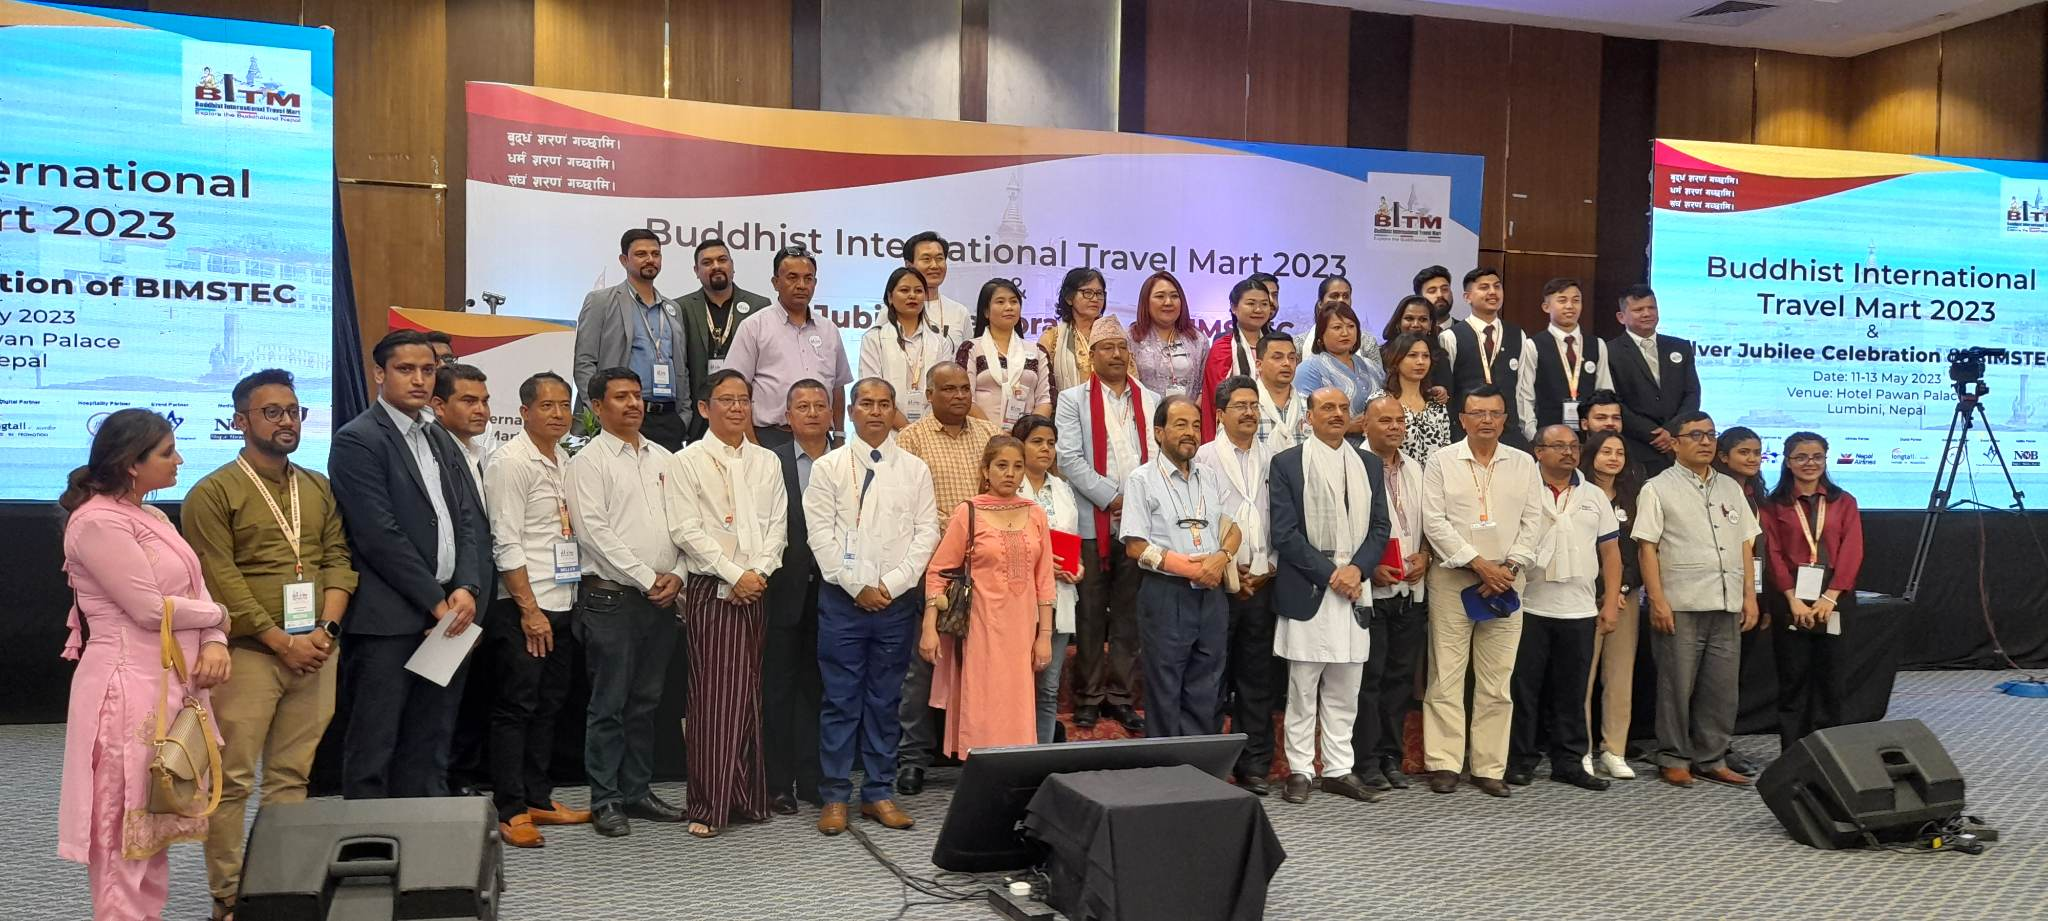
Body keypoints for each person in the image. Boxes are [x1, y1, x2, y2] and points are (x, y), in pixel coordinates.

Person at [183, 371, 356, 909]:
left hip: (318, 652)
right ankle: (229, 897)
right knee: (232, 781)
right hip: (249, 655)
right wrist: (281, 641)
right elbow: (221, 580)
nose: (287, 422)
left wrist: (326, 630)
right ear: (240, 421)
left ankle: (282, 889)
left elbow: (338, 559)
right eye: (272, 412)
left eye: (294, 411)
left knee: (291, 777)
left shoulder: (317, 486)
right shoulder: (212, 492)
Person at [58, 409, 232, 921]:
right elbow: (150, 610)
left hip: (168, 683)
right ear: (132, 463)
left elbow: (194, 589)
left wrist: (216, 637)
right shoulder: (95, 522)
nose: (180, 460)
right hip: (123, 689)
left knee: (152, 825)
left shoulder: (152, 516)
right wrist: (221, 616)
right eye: (167, 452)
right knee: (121, 832)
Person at [330, 330, 492, 800]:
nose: (420, 379)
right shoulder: (358, 439)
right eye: (406, 369)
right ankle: (366, 841)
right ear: (379, 374)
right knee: (376, 742)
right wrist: (436, 602)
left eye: (428, 370)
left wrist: (466, 588)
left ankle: (425, 838)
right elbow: (379, 536)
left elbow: (465, 518)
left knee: (431, 739)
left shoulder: (438, 435)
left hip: (448, 611)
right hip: (389, 618)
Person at [804, 378, 939, 835]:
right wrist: (857, 586)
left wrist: (893, 584)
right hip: (843, 602)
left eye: (884, 404)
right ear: (851, 411)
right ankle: (835, 796)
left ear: (894, 411)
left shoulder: (915, 469)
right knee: (840, 700)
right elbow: (819, 535)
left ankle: (879, 792)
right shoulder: (829, 467)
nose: (876, 412)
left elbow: (926, 534)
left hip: (895, 604)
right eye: (867, 404)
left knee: (886, 700)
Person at [565, 367, 689, 836]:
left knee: (646, 702)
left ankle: (637, 791)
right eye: (621, 396)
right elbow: (594, 533)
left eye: (637, 395)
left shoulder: (665, 458)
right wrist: (647, 578)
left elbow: (684, 525)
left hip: (661, 599)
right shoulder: (587, 462)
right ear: (597, 407)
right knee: (609, 705)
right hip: (612, 600)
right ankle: (605, 799)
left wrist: (677, 575)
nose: (634, 404)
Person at [666, 369, 788, 837]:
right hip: (712, 588)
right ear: (704, 408)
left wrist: (758, 573)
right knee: (713, 698)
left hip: (757, 587)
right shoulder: (687, 461)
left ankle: (745, 796)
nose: (737, 408)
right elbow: (685, 530)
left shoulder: (766, 460)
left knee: (749, 693)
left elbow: (777, 525)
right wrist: (735, 574)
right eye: (726, 400)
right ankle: (708, 805)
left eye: (744, 400)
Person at [477, 371, 589, 848]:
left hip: (563, 601)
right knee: (516, 707)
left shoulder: (565, 459)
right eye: (547, 406)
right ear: (524, 412)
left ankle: (539, 796)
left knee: (549, 706)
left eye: (564, 405)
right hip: (526, 607)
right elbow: (505, 541)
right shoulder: (510, 462)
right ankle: (511, 808)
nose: (558, 414)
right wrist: (528, 609)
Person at [1418, 386, 1545, 798]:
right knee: (1446, 675)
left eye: (1494, 413)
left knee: (1497, 680)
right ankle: (1444, 763)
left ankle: (1489, 766)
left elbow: (1534, 521)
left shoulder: (1523, 463)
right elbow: (1433, 521)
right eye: (1477, 413)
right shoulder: (1441, 461)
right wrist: (1478, 564)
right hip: (1454, 579)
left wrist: (1509, 567)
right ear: (1462, 419)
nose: (1486, 420)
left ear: (1505, 419)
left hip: (1507, 581)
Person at [1268, 387, 1390, 804]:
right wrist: (1332, 574)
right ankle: (1300, 769)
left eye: (1342, 408)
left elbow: (1380, 527)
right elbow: (1284, 533)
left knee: (1346, 685)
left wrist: (1357, 570)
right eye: (1327, 408)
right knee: (1303, 687)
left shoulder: (1368, 463)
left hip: (1355, 587)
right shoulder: (1288, 463)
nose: (1337, 414)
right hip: (1311, 585)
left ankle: (1338, 768)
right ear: (1309, 417)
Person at [892, 362, 1003, 795]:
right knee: (923, 668)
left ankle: (977, 754)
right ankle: (913, 759)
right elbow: (908, 508)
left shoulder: (988, 434)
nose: (959, 396)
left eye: (964, 388)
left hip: (987, 572)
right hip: (934, 568)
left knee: (981, 667)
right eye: (948, 389)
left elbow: (1002, 492)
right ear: (929, 394)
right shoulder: (911, 439)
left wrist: (978, 536)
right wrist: (962, 531)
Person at [1634, 412, 1760, 788]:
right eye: (1695, 435)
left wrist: (1750, 596)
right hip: (1681, 603)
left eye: (1710, 434)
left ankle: (1712, 757)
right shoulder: (1657, 488)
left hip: (1726, 601)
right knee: (1676, 686)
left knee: (1722, 687)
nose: (1705, 442)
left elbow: (1745, 544)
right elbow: (1646, 548)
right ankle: (1673, 757)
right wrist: (1657, 600)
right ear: (1674, 443)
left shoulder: (1730, 487)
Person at [920, 435, 1057, 759]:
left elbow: (1044, 580)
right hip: (981, 628)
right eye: (1002, 465)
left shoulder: (1035, 513)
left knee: (1017, 701)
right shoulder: (969, 512)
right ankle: (980, 772)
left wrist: (1045, 636)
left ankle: (1015, 771)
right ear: (986, 470)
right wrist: (928, 627)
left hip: (1021, 630)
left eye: (1017, 467)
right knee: (983, 700)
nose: (1010, 473)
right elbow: (938, 572)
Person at [1055, 315, 1157, 732]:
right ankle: (1089, 697)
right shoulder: (1072, 400)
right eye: (1107, 348)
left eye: (1121, 347)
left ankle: (1120, 697)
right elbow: (1068, 459)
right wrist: (1113, 497)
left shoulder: (1150, 399)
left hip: (1140, 524)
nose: (1116, 354)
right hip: (1090, 522)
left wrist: (1136, 503)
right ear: (1091, 356)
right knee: (1091, 615)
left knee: (1129, 616)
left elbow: (1157, 460)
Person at [1507, 425, 1622, 793]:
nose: (1569, 452)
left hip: (1579, 608)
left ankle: (1569, 762)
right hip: (1529, 605)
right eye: (1558, 446)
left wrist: (1610, 603)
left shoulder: (1594, 496)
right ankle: (1520, 760)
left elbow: (1610, 553)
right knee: (1524, 690)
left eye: (1574, 445)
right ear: (1538, 451)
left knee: (1572, 692)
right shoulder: (1521, 490)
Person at [1120, 395, 1241, 738]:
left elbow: (1233, 529)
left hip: (1211, 593)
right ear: (1159, 432)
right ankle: (1166, 766)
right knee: (1165, 687)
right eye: (1180, 425)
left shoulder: (1209, 476)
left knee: (1209, 685)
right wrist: (1189, 568)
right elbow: (1135, 546)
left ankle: (1200, 764)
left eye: (1195, 425)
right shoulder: (1142, 479)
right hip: (1167, 593)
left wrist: (1221, 558)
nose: (1190, 432)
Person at [1195, 375, 1279, 793]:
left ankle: (1255, 765)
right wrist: (1230, 570)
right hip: (1219, 582)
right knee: (1213, 675)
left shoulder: (1275, 456)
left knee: (1257, 677)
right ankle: (1210, 766)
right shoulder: (1205, 457)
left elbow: (1282, 515)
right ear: (1220, 414)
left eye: (1253, 405)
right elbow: (1201, 517)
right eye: (1240, 406)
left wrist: (1268, 567)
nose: (1249, 413)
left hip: (1263, 581)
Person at [1760, 432, 1865, 751]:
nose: (1810, 463)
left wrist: (1830, 597)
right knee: (1793, 679)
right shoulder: (1773, 505)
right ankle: (1794, 753)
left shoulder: (1843, 501)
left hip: (1835, 598)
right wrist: (1792, 599)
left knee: (1832, 679)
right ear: (1787, 462)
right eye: (1801, 457)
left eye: (1817, 457)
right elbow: (1772, 554)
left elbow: (1852, 550)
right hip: (1790, 599)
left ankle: (1832, 753)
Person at [763, 381, 837, 815]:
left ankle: (813, 779)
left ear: (831, 413)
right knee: (778, 690)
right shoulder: (769, 462)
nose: (811, 413)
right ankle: (778, 783)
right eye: (802, 406)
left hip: (836, 593)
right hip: (783, 592)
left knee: (821, 690)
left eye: (819, 405)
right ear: (787, 416)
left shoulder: (847, 460)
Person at [1355, 394, 1431, 791]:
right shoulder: (1353, 464)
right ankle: (1366, 760)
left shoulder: (1415, 467)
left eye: (1400, 420)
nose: (1395, 427)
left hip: (1410, 590)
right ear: (1365, 424)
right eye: (1385, 421)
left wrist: (1426, 556)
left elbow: (1429, 523)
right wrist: (1368, 568)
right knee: (1370, 680)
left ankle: (1391, 756)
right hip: (1371, 591)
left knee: (1400, 679)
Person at [572, 228, 694, 451]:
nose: (650, 259)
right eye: (641, 254)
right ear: (624, 260)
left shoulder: (672, 309)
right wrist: (600, 412)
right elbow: (584, 362)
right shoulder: (601, 301)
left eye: (655, 254)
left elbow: (681, 368)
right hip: (620, 415)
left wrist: (683, 416)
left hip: (667, 420)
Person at [725, 245, 852, 447]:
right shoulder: (754, 326)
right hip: (770, 437)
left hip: (821, 439)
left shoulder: (829, 330)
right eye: (792, 277)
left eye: (808, 279)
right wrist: (751, 441)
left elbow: (837, 387)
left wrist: (839, 435)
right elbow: (735, 388)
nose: (801, 285)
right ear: (775, 282)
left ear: (815, 283)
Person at [1579, 429, 1645, 780]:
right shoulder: (1579, 494)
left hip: (1625, 597)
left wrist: (1622, 586)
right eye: (1606, 452)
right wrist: (1604, 588)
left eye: (1619, 453)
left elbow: (1641, 548)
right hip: (1585, 595)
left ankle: (1614, 750)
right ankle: (1581, 748)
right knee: (1582, 676)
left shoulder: (1633, 498)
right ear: (1592, 455)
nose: (1614, 458)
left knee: (1620, 676)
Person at [1014, 414, 1084, 744]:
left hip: (1060, 595)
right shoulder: (1009, 488)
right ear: (1019, 445)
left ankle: (1039, 756)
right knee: (1017, 684)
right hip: (1019, 597)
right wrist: (1041, 565)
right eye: (1037, 442)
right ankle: (1013, 751)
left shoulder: (1063, 488)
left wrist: (1078, 568)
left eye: (1051, 443)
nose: (1046, 449)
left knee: (1049, 685)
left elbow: (1074, 543)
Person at [1714, 426, 1770, 777]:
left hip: (1754, 593)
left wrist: (1763, 601)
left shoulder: (1757, 494)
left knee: (1735, 676)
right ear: (1723, 456)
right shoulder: (1715, 492)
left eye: (1757, 453)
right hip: (1720, 591)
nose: (1752, 459)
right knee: (1717, 677)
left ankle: (1723, 741)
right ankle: (1711, 745)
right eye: (1744, 452)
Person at [1439, 267, 1537, 449]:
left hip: (1508, 432)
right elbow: (1447, 391)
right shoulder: (1450, 337)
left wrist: (1529, 432)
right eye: (1484, 287)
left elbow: (1522, 391)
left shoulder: (1517, 334)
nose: (1492, 292)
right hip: (1464, 435)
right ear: (1467, 297)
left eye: (1497, 286)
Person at [1606, 285, 1700, 473]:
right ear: (1621, 317)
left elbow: (1692, 393)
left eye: (1652, 308)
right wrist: (1653, 434)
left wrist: (1672, 430)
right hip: (1637, 447)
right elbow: (1614, 402)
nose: (1647, 313)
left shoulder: (1680, 347)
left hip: (1678, 446)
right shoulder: (1609, 351)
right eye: (1638, 309)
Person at [857, 267, 954, 429]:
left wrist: (924, 432)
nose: (912, 296)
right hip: (887, 431)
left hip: (931, 431)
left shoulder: (940, 342)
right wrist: (907, 430)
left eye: (918, 291)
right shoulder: (874, 339)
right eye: (904, 290)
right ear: (890, 297)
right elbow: (872, 391)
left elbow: (945, 392)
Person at [957, 278, 1054, 429]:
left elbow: (1045, 400)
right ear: (986, 311)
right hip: (981, 435)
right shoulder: (971, 349)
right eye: (1000, 302)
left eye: (1014, 302)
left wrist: (1027, 434)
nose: (1009, 307)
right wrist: (995, 433)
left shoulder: (1037, 351)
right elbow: (965, 398)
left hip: (1025, 439)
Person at [1531, 278, 1613, 430]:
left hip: (1587, 431)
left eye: (1576, 300)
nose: (1570, 306)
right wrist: (1532, 433)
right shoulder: (1533, 345)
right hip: (1548, 430)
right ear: (1546, 307)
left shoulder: (1597, 344)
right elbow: (1526, 396)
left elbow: (1605, 392)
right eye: (1562, 300)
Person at [1201, 278, 1278, 438]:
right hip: (1235, 428)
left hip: (1276, 426)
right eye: (1251, 303)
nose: (1258, 309)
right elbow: (1218, 398)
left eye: (1264, 304)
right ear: (1234, 307)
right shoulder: (1223, 348)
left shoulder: (1278, 346)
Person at [1295, 301, 1384, 433]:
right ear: (1321, 334)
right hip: (1331, 444)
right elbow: (1302, 423)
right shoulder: (1309, 369)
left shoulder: (1372, 367)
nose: (1345, 333)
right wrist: (1348, 427)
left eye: (1351, 326)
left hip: (1376, 443)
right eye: (1337, 327)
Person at [1369, 332, 1453, 465]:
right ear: (1397, 359)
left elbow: (1446, 448)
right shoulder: (1380, 401)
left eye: (1425, 356)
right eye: (1412, 355)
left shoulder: (1436, 402)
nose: (1420, 362)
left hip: (1434, 475)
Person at [1128, 270, 1201, 398]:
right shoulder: (1130, 338)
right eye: (1160, 296)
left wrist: (1193, 409)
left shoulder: (1197, 339)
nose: (1168, 302)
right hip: (1144, 410)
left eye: (1174, 296)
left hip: (1188, 409)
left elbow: (1205, 388)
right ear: (1146, 302)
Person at [1038, 268, 1105, 396]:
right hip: (1064, 407)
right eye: (1087, 292)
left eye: (1099, 293)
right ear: (1069, 298)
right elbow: (1042, 387)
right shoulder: (1052, 338)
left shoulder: (1113, 336)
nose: (1095, 299)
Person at [432, 364, 493, 499]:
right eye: (469, 401)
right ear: (439, 406)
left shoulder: (472, 450)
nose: (481, 410)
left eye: (484, 402)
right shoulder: (432, 456)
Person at [905, 229, 972, 340]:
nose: (934, 266)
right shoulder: (892, 311)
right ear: (909, 266)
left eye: (939, 258)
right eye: (926, 259)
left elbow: (969, 350)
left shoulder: (960, 312)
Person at [1251, 333, 1309, 451]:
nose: (1287, 363)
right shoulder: (1246, 406)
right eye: (1278, 357)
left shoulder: (1309, 405)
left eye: (1292, 358)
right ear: (1259, 365)